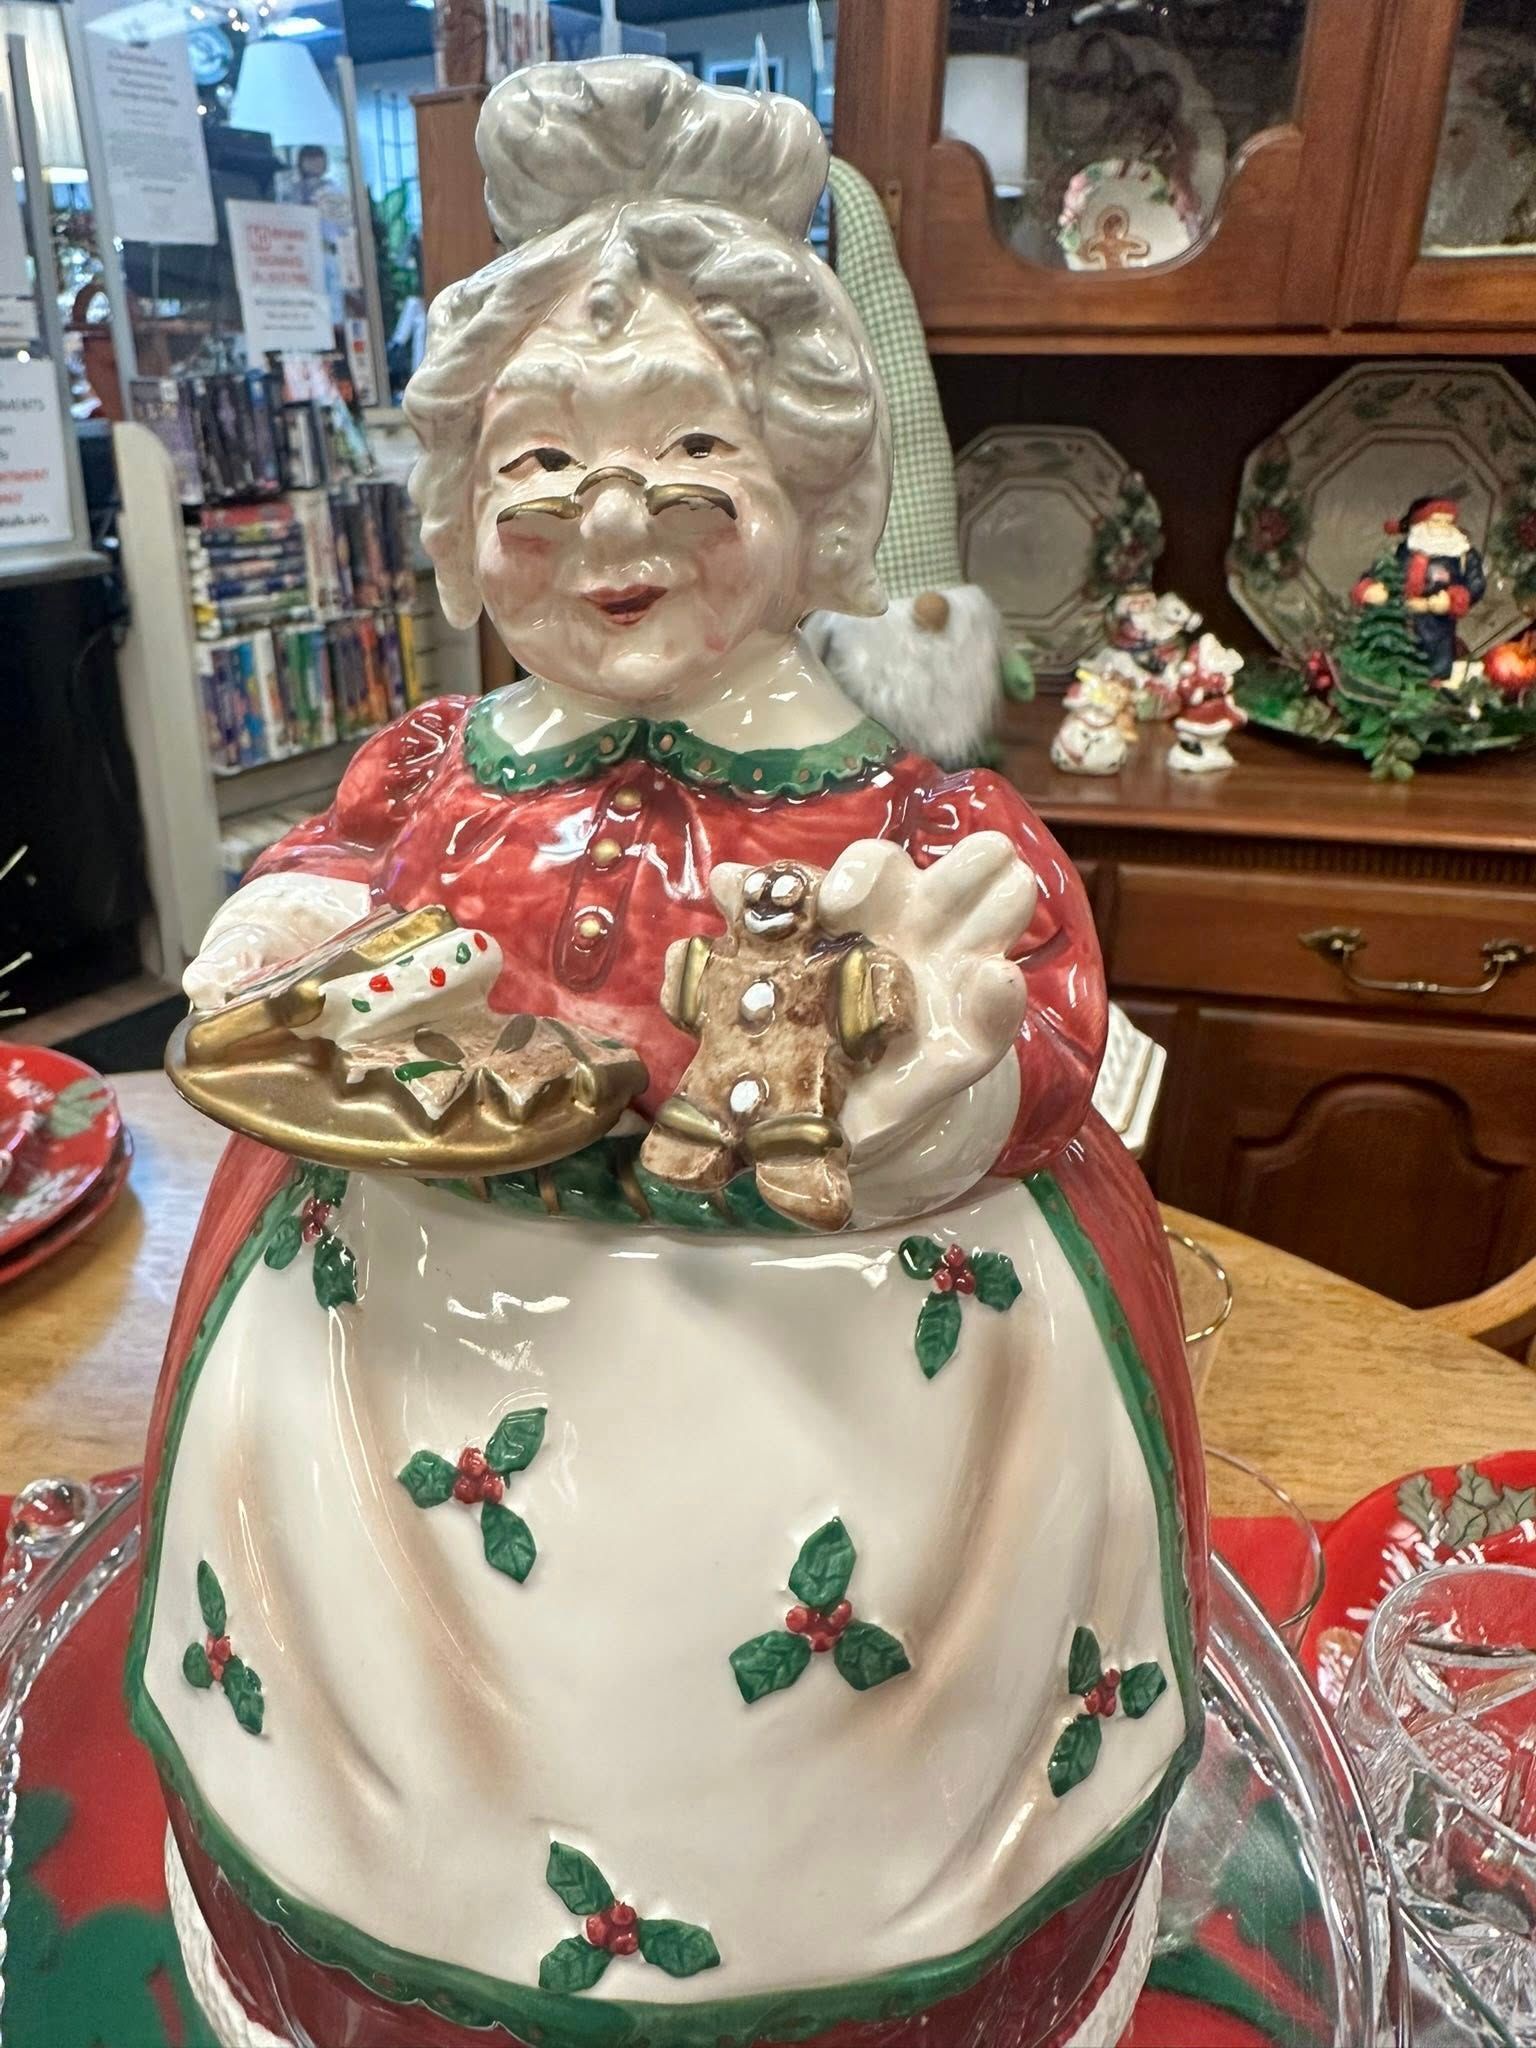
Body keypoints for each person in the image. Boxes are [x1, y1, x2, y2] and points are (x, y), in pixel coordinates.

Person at [131, 60, 1205, 2048]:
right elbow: (341, 858)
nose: (610, 516)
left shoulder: (907, 810)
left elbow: (1040, 997)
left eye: (693, 445)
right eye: (538, 460)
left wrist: (946, 1081)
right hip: (403, 1368)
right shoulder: (438, 764)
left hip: (834, 1386)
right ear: (464, 510)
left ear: (815, 491)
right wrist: (290, 927)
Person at [1352, 495, 1486, 681]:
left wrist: (1452, 600)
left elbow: (1476, 584)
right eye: (1436, 521)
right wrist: (1369, 588)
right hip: (1399, 628)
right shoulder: (1400, 552)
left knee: (1435, 671)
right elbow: (1379, 572)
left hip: (1438, 631)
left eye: (1448, 522)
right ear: (1420, 523)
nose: (1443, 527)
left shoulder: (1463, 553)